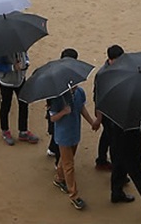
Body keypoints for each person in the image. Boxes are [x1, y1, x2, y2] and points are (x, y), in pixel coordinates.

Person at [95, 45, 141, 212]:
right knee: (135, 166)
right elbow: (100, 101)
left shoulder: (107, 75)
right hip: (125, 129)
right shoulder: (107, 76)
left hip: (119, 127)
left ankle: (117, 192)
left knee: (118, 160)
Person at [49, 69, 96, 210]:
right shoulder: (58, 98)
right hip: (63, 135)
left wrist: (91, 122)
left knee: (66, 161)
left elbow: (81, 108)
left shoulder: (80, 93)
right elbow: (52, 117)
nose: (75, 86)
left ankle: (59, 178)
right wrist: (63, 112)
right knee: (69, 165)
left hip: (75, 132)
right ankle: (74, 195)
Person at [0, 51, 39, 146]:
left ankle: (23, 131)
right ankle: (5, 130)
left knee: (24, 103)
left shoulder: (20, 44)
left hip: (20, 79)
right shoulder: (1, 50)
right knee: (6, 105)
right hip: (6, 82)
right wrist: (13, 67)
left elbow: (24, 55)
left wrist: (26, 62)